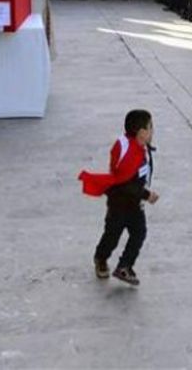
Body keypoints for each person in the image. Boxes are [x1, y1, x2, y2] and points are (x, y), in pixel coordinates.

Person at [79, 110, 159, 286]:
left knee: (139, 233)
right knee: (112, 235)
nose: (153, 131)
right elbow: (124, 184)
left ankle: (124, 266)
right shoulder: (129, 154)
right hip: (119, 204)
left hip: (135, 204)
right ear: (141, 132)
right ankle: (101, 257)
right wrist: (147, 194)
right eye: (150, 127)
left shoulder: (141, 147)